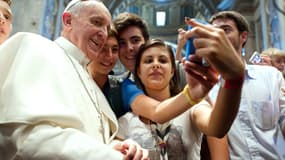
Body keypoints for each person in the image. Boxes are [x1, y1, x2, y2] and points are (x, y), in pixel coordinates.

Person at [0, 0, 149, 159]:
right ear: (68, 21)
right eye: (96, 22)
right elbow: (26, 139)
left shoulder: (89, 80)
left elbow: (86, 138)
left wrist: (114, 147)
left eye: (106, 28)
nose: (104, 34)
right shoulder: (36, 48)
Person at [117, 39, 231, 159]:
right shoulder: (125, 122)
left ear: (172, 71)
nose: (156, 65)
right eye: (148, 61)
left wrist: (230, 81)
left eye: (163, 60)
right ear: (139, 72)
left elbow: (217, 128)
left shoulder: (193, 108)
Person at [207, 11, 285, 159]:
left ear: (243, 37)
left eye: (226, 30)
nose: (218, 35)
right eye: (213, 32)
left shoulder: (271, 76)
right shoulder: (206, 87)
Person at [87, 26, 126, 118]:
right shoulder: (73, 80)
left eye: (114, 50)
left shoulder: (120, 89)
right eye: (103, 49)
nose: (109, 56)